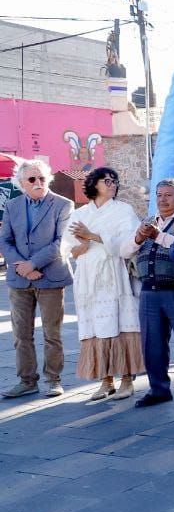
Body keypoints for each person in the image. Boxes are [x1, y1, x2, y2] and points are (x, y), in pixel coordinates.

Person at [121, 178, 174, 408]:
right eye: (159, 195)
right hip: (149, 291)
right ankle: (158, 389)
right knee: (152, 344)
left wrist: (158, 235)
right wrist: (139, 237)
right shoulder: (148, 220)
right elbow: (124, 250)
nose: (163, 199)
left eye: (169, 195)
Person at [68, 166, 145, 401]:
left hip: (115, 274)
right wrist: (83, 244)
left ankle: (128, 379)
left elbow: (128, 243)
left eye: (114, 181)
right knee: (97, 329)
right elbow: (71, 249)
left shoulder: (124, 210)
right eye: (106, 181)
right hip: (89, 277)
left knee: (122, 325)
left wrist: (92, 236)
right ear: (94, 184)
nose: (112, 184)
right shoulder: (80, 213)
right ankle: (106, 380)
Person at [0, 159, 72, 399]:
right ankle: (26, 380)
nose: (38, 182)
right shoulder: (12, 206)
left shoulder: (63, 204)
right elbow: (5, 241)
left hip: (50, 276)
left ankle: (54, 380)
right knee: (21, 335)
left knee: (52, 333)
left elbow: (62, 242)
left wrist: (34, 263)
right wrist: (24, 267)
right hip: (20, 280)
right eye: (32, 179)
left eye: (42, 177)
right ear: (21, 183)